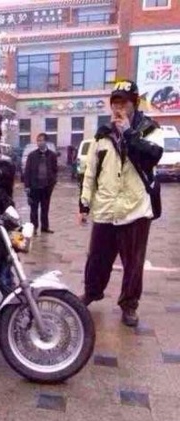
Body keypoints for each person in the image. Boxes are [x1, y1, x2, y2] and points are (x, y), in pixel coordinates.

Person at [79, 80, 164, 327]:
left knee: (133, 264)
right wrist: (84, 204)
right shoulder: (102, 135)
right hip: (105, 208)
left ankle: (129, 304)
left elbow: (153, 156)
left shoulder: (150, 129)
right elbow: (90, 172)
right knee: (97, 259)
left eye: (123, 103)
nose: (118, 108)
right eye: (115, 103)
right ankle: (92, 292)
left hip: (135, 209)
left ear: (134, 104)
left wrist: (128, 133)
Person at [24, 133, 58, 234]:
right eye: (38, 140)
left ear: (46, 141)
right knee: (34, 208)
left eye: (41, 140)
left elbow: (55, 169)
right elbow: (27, 171)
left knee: (45, 208)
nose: (39, 142)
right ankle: (34, 228)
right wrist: (27, 186)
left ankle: (45, 227)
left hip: (47, 186)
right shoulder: (32, 155)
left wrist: (53, 181)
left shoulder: (52, 155)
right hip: (34, 186)